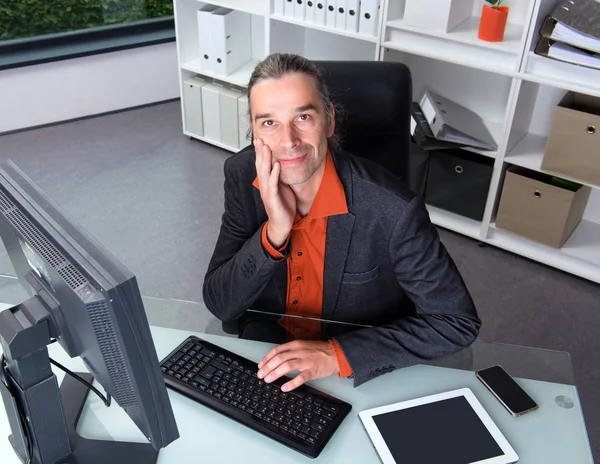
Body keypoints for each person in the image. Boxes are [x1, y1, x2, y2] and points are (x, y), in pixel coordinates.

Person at [203, 53, 480, 392]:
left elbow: (456, 323)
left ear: (330, 120)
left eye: (303, 116)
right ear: (255, 131)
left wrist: (335, 355)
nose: (288, 142)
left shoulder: (393, 209)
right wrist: (274, 232)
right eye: (269, 123)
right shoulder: (242, 175)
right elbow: (220, 303)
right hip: (268, 356)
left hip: (353, 368)